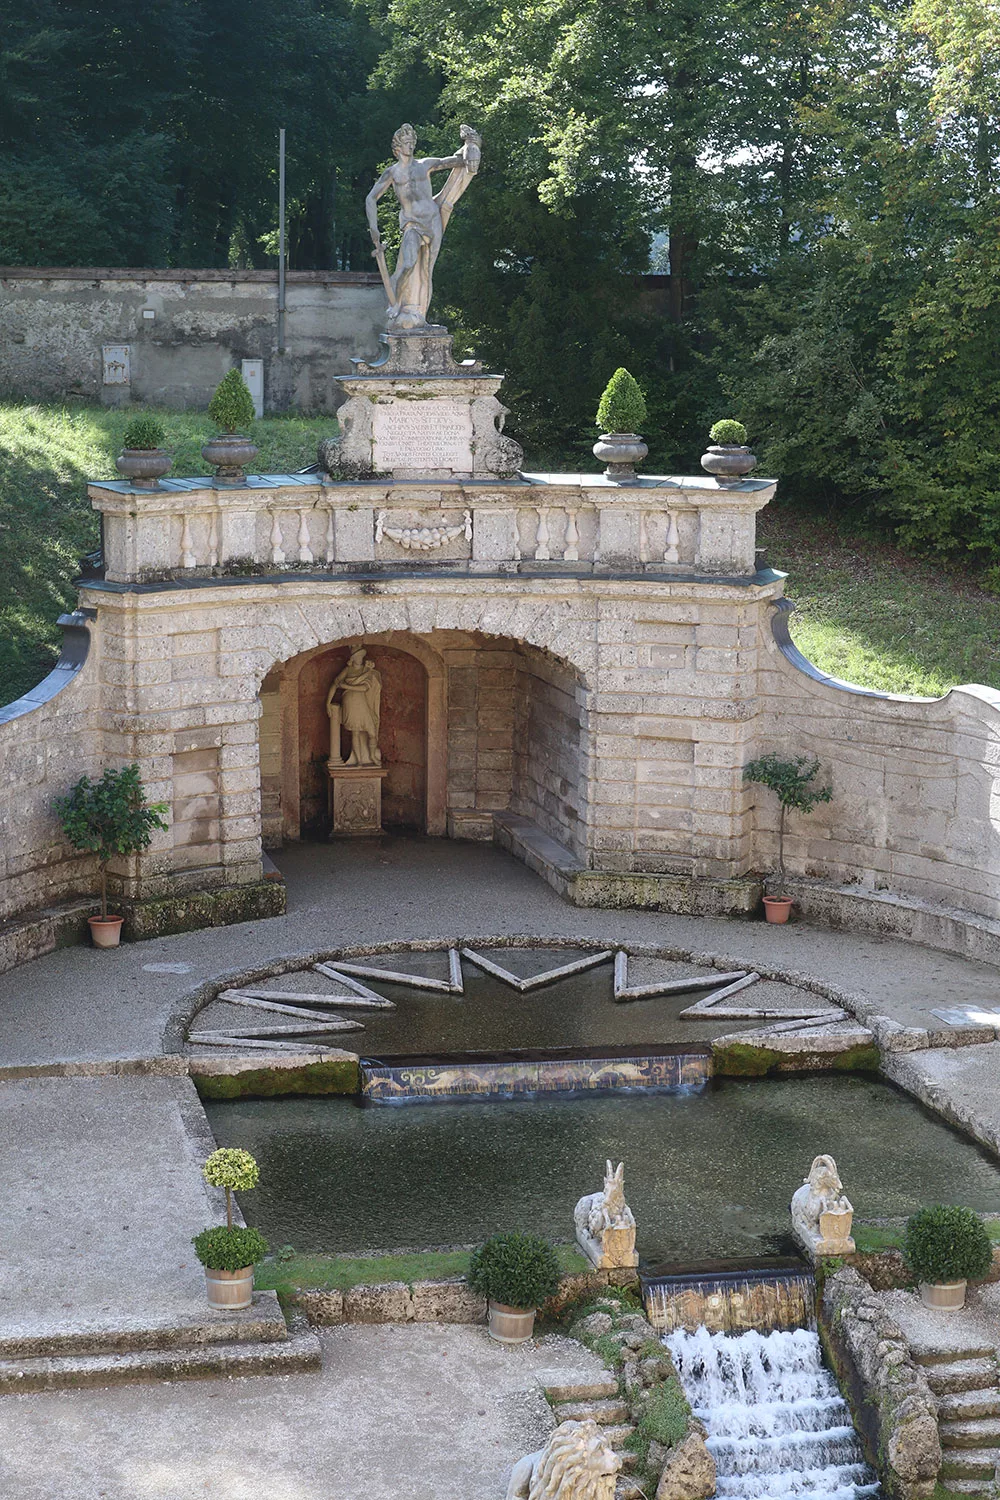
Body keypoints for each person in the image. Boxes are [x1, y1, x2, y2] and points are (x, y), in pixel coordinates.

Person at [365, 123, 481, 332]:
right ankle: (397, 304)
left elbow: (453, 162)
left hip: (432, 220)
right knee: (408, 264)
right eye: (406, 143)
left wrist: (470, 147)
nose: (410, 146)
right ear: (397, 147)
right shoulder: (392, 173)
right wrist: (374, 227)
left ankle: (421, 315)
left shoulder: (424, 164)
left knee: (427, 270)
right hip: (411, 224)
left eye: (412, 142)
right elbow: (371, 198)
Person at [326, 648, 382, 767]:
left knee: (372, 731)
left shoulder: (366, 670)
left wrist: (346, 686)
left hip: (362, 702)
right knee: (355, 732)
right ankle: (359, 760)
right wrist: (328, 702)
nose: (359, 659)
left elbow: (365, 688)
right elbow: (335, 684)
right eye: (356, 657)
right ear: (352, 658)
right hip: (350, 702)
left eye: (360, 656)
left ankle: (372, 756)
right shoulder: (347, 670)